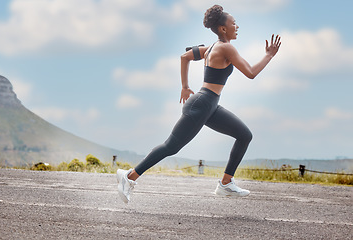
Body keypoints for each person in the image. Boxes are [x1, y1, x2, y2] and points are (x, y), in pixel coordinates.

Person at [117, 4, 281, 203]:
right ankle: (129, 177)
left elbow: (185, 56)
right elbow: (251, 73)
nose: (237, 26)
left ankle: (226, 183)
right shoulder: (226, 47)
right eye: (233, 23)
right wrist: (269, 55)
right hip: (202, 104)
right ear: (223, 28)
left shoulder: (211, 47)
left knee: (244, 135)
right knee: (171, 146)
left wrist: (185, 87)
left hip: (209, 105)